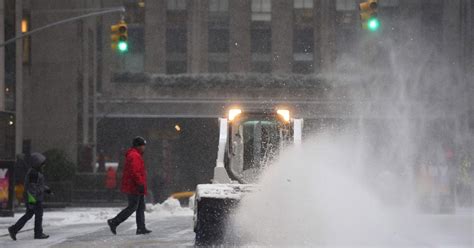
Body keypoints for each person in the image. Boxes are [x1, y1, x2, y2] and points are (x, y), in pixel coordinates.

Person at [107, 137, 152, 235]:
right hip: (134, 186)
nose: (144, 148)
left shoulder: (135, 155)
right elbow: (135, 172)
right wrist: (140, 183)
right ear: (138, 146)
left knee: (140, 207)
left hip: (135, 185)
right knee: (133, 207)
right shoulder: (134, 156)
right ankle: (114, 222)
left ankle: (141, 228)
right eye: (143, 145)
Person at [8, 153, 52, 240]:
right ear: (38, 164)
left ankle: (14, 229)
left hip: (33, 198)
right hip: (34, 199)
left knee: (29, 215)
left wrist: (46, 189)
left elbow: (38, 186)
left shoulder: (35, 172)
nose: (44, 166)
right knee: (38, 215)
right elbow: (32, 189)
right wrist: (32, 201)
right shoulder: (34, 174)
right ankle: (38, 233)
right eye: (43, 164)